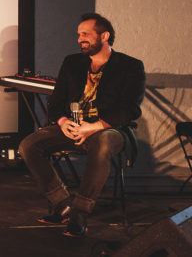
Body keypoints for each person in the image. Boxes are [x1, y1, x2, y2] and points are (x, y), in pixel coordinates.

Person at [19, 13, 145, 237]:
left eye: (85, 34)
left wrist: (96, 126)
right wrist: (63, 121)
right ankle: (62, 203)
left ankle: (80, 212)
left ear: (104, 35)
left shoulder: (130, 66)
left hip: (109, 129)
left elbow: (130, 109)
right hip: (74, 126)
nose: (80, 39)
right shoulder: (72, 62)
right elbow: (56, 102)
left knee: (104, 144)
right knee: (29, 145)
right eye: (78, 35)